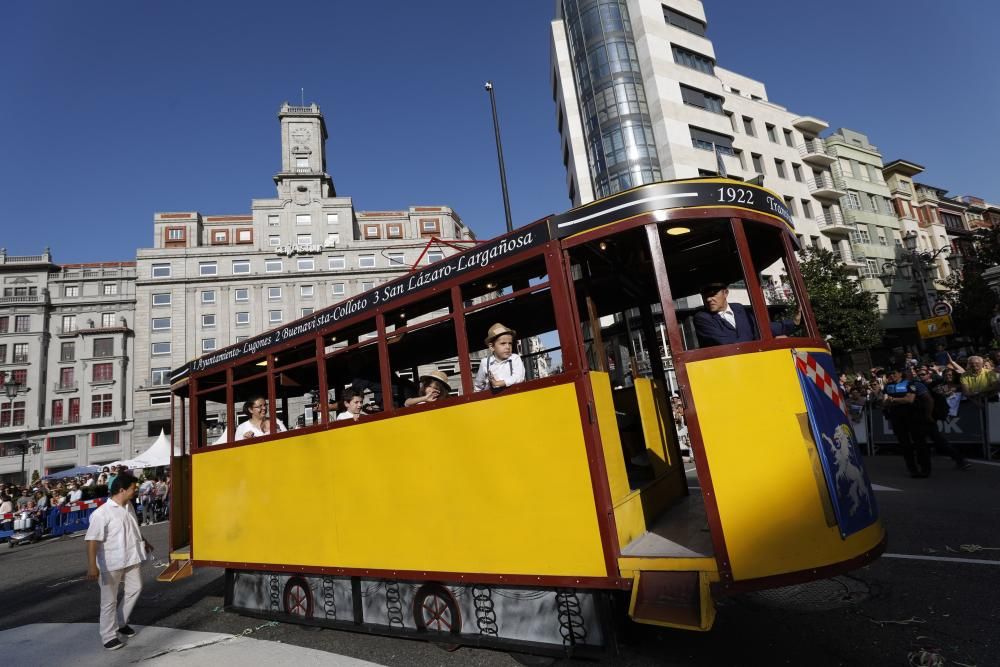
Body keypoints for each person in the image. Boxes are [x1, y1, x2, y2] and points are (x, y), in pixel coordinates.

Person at [84, 472, 153, 651]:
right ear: (122, 490)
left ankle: (121, 622)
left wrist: (144, 541)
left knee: (135, 588)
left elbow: (133, 527)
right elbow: (92, 540)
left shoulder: (128, 505)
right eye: (132, 489)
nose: (135, 492)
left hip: (132, 557)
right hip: (111, 562)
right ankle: (108, 636)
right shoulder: (101, 514)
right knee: (109, 601)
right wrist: (92, 566)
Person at [693, 282, 800, 348]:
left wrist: (794, 322)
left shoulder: (738, 308)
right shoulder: (701, 318)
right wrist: (767, 341)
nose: (708, 299)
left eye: (713, 294)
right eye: (705, 296)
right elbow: (728, 345)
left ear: (725, 293)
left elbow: (760, 328)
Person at [881, 368, 932, 478]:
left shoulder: (910, 384)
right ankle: (912, 469)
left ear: (900, 373)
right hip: (897, 418)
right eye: (889, 373)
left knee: (919, 442)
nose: (891, 375)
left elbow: (909, 399)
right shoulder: (887, 386)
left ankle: (925, 468)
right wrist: (896, 400)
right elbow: (884, 402)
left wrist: (893, 400)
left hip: (912, 416)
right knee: (905, 444)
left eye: (893, 372)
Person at [474, 323, 525, 391]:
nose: (507, 347)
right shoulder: (485, 363)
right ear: (492, 347)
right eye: (503, 343)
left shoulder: (515, 358)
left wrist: (499, 383)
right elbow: (478, 385)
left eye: (510, 343)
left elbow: (519, 377)